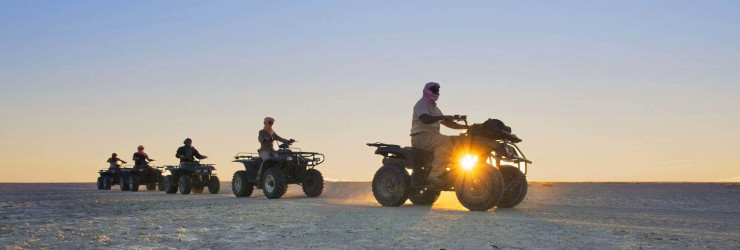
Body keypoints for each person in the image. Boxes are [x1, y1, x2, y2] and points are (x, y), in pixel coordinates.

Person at [410, 82, 468, 187]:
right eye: (434, 90)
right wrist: (443, 117)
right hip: (421, 137)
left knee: (458, 141)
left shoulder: (435, 108)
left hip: (432, 137)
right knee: (445, 141)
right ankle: (435, 176)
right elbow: (425, 119)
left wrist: (467, 127)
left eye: (437, 90)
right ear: (427, 90)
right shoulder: (421, 104)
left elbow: (448, 123)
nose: (436, 92)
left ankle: (454, 174)